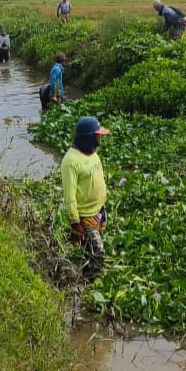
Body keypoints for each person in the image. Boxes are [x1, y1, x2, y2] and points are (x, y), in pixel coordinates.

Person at [61, 116, 110, 278]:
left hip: (99, 211)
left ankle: (85, 273)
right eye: (97, 137)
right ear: (87, 138)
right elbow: (69, 196)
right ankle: (91, 283)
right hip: (85, 216)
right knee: (98, 252)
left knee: (90, 250)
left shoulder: (92, 152)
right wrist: (75, 224)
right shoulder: (70, 161)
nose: (99, 141)